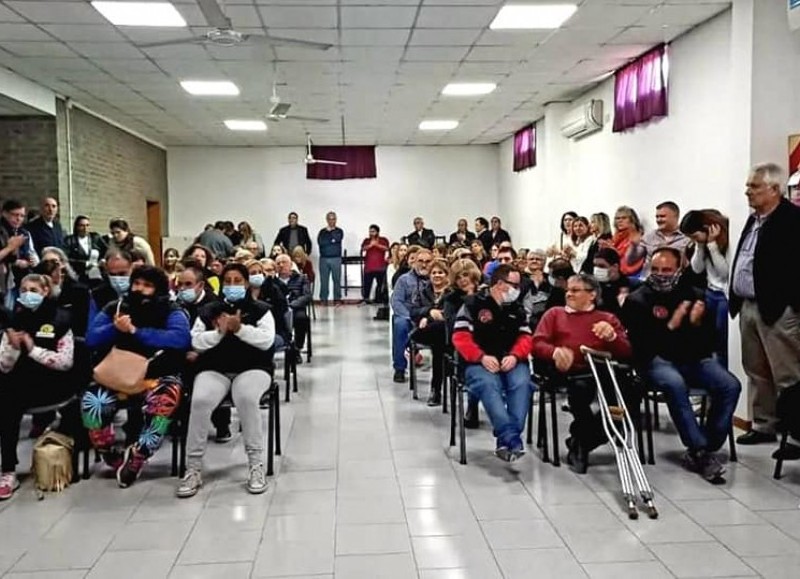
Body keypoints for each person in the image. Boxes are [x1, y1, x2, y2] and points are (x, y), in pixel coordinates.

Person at [623, 247, 741, 482]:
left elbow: (710, 343)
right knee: (675, 383)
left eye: (667, 270)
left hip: (693, 359)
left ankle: (708, 445)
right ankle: (698, 449)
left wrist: (697, 324)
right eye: (655, 269)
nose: (660, 274)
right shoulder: (637, 300)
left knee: (730, 385)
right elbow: (641, 348)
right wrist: (672, 326)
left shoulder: (696, 295)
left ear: (679, 269)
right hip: (656, 361)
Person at [82, 266, 191, 487]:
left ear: (158, 289)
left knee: (165, 400)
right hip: (117, 374)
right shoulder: (117, 307)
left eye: (147, 285)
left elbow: (180, 339)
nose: (139, 289)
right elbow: (91, 338)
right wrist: (115, 328)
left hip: (158, 375)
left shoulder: (172, 310)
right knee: (93, 401)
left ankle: (139, 454)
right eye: (137, 284)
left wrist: (136, 332)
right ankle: (108, 451)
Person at [176, 263, 275, 498]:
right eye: (227, 281)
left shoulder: (261, 309)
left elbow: (266, 341)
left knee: (247, 398)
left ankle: (255, 465)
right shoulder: (209, 310)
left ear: (247, 283)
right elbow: (196, 341)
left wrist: (240, 329)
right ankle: (193, 468)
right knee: (199, 401)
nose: (232, 285)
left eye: (237, 281)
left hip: (252, 368)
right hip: (215, 368)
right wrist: (218, 333)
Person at [730, 162, 800, 451]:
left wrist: (792, 305)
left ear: (774, 189)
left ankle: (795, 435)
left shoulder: (792, 220)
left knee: (787, 373)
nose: (748, 191)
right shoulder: (755, 218)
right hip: (748, 305)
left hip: (778, 309)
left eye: (754, 186)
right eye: (748, 186)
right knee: (756, 369)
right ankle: (764, 424)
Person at [533, 273, 632, 473]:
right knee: (580, 391)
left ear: (592, 295)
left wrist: (612, 337)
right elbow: (537, 344)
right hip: (568, 372)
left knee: (627, 396)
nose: (568, 294)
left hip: (601, 369)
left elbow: (626, 352)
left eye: (575, 290)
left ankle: (581, 441)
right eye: (568, 290)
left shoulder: (607, 318)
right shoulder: (555, 314)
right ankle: (582, 444)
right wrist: (554, 352)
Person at [0, 273, 77, 500]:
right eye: (23, 290)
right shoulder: (15, 321)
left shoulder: (61, 319)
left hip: (54, 383)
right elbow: (3, 366)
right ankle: (8, 470)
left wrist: (32, 350)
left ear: (45, 291)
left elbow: (65, 362)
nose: (27, 294)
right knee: (6, 399)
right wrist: (13, 347)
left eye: (33, 290)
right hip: (20, 385)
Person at [452, 264, 534, 462]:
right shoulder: (473, 304)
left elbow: (526, 337)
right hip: (478, 362)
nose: (518, 290)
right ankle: (510, 437)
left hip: (511, 360)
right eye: (514, 285)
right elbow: (460, 336)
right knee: (489, 384)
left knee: (522, 383)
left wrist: (515, 355)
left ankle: (507, 441)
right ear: (500, 284)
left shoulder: (517, 309)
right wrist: (481, 357)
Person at [680, 209, 731, 367]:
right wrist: (699, 246)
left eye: (695, 236)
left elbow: (724, 273)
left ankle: (724, 372)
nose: (693, 240)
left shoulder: (726, 241)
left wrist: (712, 246)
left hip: (724, 295)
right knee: (710, 337)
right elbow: (697, 269)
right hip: (710, 292)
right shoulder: (701, 243)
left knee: (722, 339)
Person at [410, 259, 450, 406]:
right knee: (438, 336)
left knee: (438, 342)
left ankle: (436, 389)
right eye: (434, 273)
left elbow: (450, 315)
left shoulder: (451, 293)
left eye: (440, 272)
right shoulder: (423, 291)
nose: (437, 275)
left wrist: (432, 317)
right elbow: (413, 311)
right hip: (424, 331)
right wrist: (429, 313)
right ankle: (439, 385)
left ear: (447, 275)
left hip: (445, 332)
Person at [391, 248, 432, 383]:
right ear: (414, 262)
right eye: (420, 261)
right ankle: (400, 368)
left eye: (427, 261)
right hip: (407, 315)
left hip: (428, 316)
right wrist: (409, 317)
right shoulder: (404, 280)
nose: (424, 264)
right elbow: (396, 301)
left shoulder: (436, 278)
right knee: (400, 324)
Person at [0, 200, 39, 309]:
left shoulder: (24, 232)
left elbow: (31, 252)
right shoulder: (2, 231)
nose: (19, 219)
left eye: (22, 216)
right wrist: (13, 256)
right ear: (4, 213)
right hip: (5, 280)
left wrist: (34, 260)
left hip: (23, 279)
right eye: (15, 215)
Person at [275, 254, 311, 361]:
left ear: (291, 265)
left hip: (295, 307)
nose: (281, 265)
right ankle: (284, 344)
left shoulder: (301, 278)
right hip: (279, 309)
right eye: (278, 263)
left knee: (301, 319)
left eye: (284, 262)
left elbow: (307, 296)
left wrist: (292, 305)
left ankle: (297, 348)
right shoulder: (273, 280)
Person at [639, 201, 690, 274]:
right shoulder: (648, 237)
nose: (659, 220)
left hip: (678, 282)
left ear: (675, 217)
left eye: (662, 216)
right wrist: (633, 245)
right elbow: (632, 260)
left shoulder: (687, 238)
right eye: (657, 217)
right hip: (651, 281)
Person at [89, 249, 133, 322]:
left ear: (131, 268)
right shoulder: (97, 295)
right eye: (112, 274)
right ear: (106, 270)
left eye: (122, 274)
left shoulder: (142, 291)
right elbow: (93, 328)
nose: (118, 278)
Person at [63, 215, 107, 284]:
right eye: (82, 225)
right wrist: (85, 264)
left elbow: (107, 251)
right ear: (77, 227)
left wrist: (103, 260)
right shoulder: (69, 240)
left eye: (87, 225)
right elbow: (66, 258)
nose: (85, 228)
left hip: (97, 275)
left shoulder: (95, 237)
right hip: (78, 276)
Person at [317, 211, 344, 305]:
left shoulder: (339, 231)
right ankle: (323, 299)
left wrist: (330, 238)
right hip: (324, 259)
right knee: (324, 280)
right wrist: (331, 240)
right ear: (327, 220)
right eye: (330, 219)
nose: (332, 221)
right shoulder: (322, 232)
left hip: (336, 258)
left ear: (336, 220)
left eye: (333, 219)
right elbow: (321, 242)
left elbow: (337, 239)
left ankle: (337, 299)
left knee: (336, 279)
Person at [361, 224, 390, 303]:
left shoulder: (383, 240)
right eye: (370, 231)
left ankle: (379, 299)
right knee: (367, 285)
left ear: (377, 232)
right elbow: (363, 248)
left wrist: (377, 245)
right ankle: (366, 299)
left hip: (380, 267)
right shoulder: (366, 240)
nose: (371, 233)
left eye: (373, 231)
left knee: (381, 285)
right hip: (369, 267)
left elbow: (387, 248)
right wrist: (371, 245)